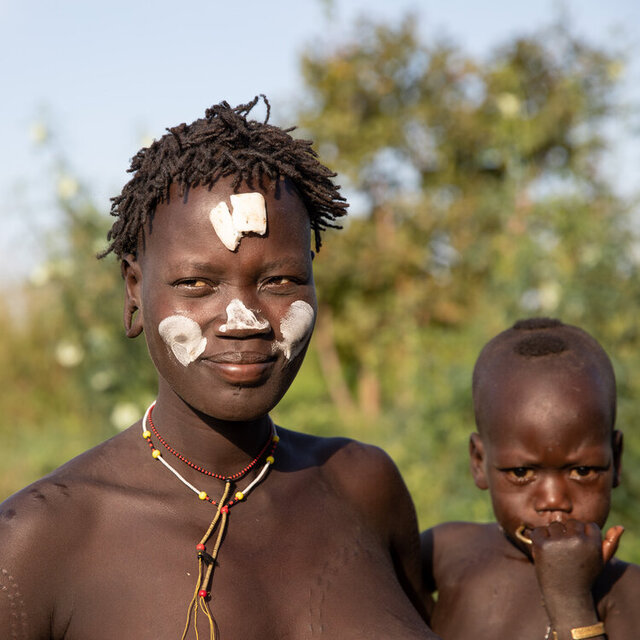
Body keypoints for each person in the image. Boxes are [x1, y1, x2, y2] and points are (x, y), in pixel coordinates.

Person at [0, 96, 439, 640]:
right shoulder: (39, 540)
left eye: (280, 282)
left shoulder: (363, 487)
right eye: (196, 285)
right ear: (135, 291)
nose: (244, 319)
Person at [421, 317, 640, 640]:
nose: (554, 500)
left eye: (582, 471)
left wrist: (571, 600)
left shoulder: (625, 589)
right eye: (522, 472)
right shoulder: (446, 551)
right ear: (479, 462)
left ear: (615, 459)